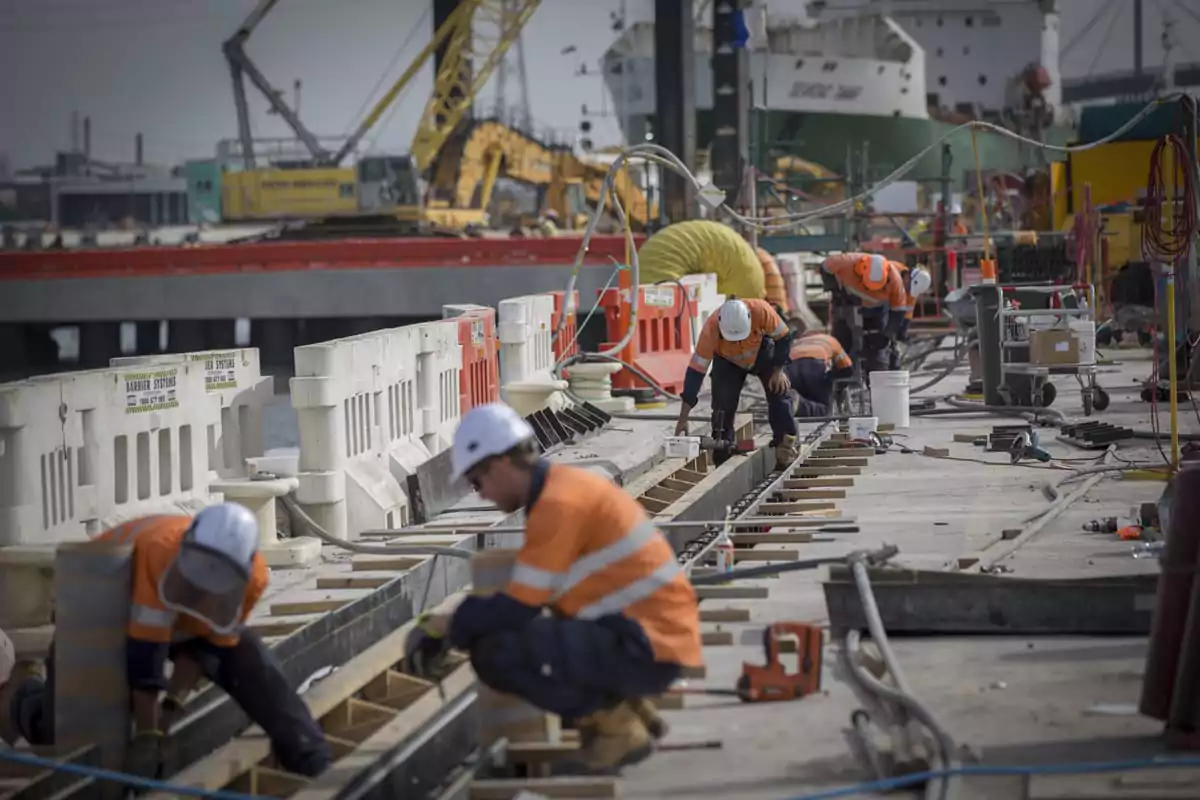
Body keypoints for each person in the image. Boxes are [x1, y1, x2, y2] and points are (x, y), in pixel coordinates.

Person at [405, 403, 703, 775]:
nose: (481, 496)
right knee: (538, 629)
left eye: (478, 483)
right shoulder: (565, 488)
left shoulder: (557, 504)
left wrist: (448, 627)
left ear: (498, 465)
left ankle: (617, 728)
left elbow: (518, 607)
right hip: (653, 637)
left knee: (498, 650)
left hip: (648, 647)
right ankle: (630, 711)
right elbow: (538, 598)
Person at [0, 505, 332, 778]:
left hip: (169, 612)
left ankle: (312, 759)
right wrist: (148, 734)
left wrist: (170, 710)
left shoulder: (254, 576)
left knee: (249, 658)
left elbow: (209, 646)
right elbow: (147, 659)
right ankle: (22, 693)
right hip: (100, 607)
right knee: (68, 726)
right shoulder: (159, 554)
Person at [675, 297, 798, 468]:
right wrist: (683, 418)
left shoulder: (761, 311)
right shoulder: (710, 331)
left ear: (749, 318)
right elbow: (695, 374)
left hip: (761, 351)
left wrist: (778, 371)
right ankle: (723, 453)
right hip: (727, 361)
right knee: (722, 406)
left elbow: (784, 337)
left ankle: (785, 445)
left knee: (779, 390)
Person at [820, 253, 909, 376]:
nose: (872, 291)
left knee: (877, 349)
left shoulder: (894, 280)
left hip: (877, 310)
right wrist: (834, 288)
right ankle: (842, 382)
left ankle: (877, 380)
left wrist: (888, 334)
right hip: (848, 301)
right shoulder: (846, 262)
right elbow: (825, 267)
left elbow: (898, 311)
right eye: (869, 287)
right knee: (843, 342)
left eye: (878, 288)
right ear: (861, 272)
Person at [785, 318, 856, 417]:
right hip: (814, 364)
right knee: (825, 409)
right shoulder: (830, 340)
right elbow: (848, 369)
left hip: (790, 367)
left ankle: (796, 404)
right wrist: (833, 381)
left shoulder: (798, 342)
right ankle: (799, 405)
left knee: (798, 408)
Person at [887, 262, 933, 370]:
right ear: (908, 276)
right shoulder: (892, 269)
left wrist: (903, 329)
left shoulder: (911, 291)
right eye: (908, 286)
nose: (907, 289)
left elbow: (908, 310)